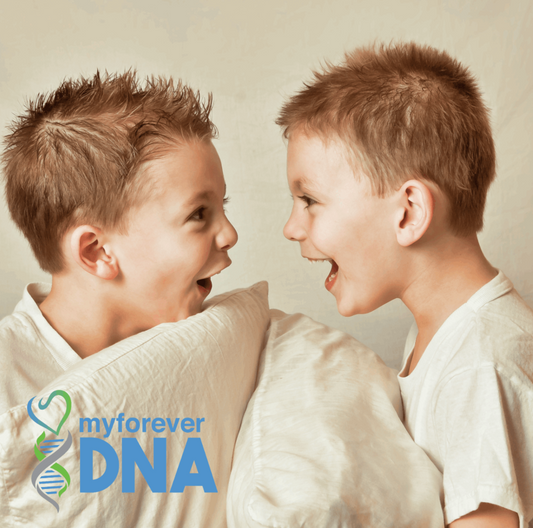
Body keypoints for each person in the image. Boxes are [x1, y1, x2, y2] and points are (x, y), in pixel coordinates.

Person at [278, 42, 533, 528]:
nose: (292, 227)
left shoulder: (479, 367)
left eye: (309, 199)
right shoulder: (440, 333)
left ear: (409, 212)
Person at [0, 71, 238, 414]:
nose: (230, 235)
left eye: (222, 207)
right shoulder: (11, 384)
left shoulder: (218, 348)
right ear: (96, 251)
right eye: (199, 214)